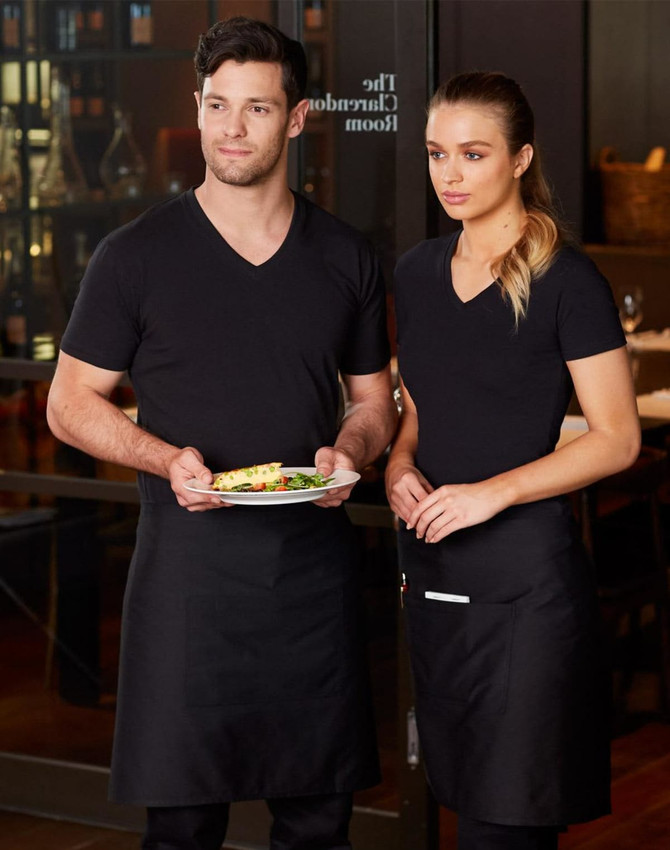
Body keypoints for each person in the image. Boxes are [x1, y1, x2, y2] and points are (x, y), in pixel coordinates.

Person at [47, 16, 397, 850]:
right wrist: (165, 458)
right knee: (181, 830)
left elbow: (375, 403)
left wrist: (350, 451)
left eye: (258, 109)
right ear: (196, 106)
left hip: (311, 585)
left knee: (318, 826)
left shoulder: (347, 257)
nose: (232, 128)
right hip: (186, 586)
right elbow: (69, 402)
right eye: (217, 106)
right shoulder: (133, 257)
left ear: (299, 117)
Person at [386, 71, 640, 850]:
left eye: (473, 154)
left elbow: (617, 438)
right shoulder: (418, 274)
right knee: (460, 798)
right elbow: (423, 406)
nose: (451, 175)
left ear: (521, 158)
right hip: (435, 577)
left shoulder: (569, 281)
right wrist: (398, 463)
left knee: (509, 823)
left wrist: (489, 495)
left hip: (528, 591)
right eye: (437, 155)